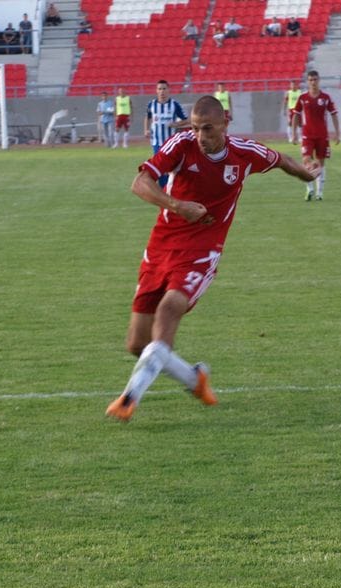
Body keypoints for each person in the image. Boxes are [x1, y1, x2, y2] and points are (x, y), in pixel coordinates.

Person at [105, 95, 321, 422]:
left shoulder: (244, 153)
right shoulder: (181, 145)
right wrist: (177, 205)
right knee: (137, 344)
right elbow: (140, 182)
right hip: (161, 246)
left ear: (224, 124)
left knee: (168, 310)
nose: (201, 137)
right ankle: (195, 380)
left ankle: (129, 398)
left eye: (207, 129)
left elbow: (283, 161)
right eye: (195, 129)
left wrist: (308, 174)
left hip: (203, 251)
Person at [292, 70, 340, 201]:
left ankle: (319, 193)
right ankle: (310, 189)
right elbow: (295, 114)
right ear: (308, 82)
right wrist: (294, 133)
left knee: (320, 164)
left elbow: (334, 114)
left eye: (315, 79)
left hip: (322, 136)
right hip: (307, 135)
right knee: (306, 161)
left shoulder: (325, 98)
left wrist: (337, 133)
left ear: (319, 80)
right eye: (311, 80)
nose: (313, 82)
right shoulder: (302, 98)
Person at [145, 80, 188, 186]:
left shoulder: (175, 105)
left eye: (164, 89)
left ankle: (173, 188)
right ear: (156, 91)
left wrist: (175, 124)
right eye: (159, 89)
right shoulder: (152, 104)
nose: (162, 91)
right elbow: (148, 117)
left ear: (168, 90)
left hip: (171, 143)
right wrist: (146, 129)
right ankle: (163, 190)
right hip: (157, 143)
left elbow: (187, 120)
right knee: (160, 167)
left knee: (172, 167)